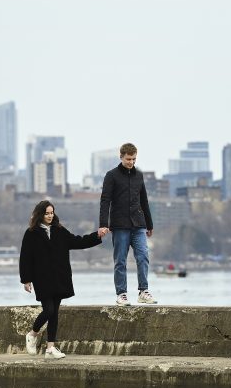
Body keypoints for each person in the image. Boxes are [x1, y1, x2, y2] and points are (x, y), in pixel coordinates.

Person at [19, 200, 104, 359]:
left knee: (55, 313)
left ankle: (50, 348)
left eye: (52, 213)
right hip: (42, 279)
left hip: (59, 277)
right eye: (47, 213)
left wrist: (96, 236)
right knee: (48, 310)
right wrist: (26, 280)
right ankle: (32, 334)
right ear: (40, 214)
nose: (50, 216)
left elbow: (78, 241)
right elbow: (25, 257)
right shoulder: (31, 233)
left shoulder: (59, 230)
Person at [98, 142, 156, 306]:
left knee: (143, 256)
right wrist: (103, 224)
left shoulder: (139, 175)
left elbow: (144, 201)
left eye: (134, 159)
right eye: (129, 159)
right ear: (121, 157)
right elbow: (105, 201)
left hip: (138, 225)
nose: (131, 162)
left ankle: (143, 291)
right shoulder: (111, 175)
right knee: (120, 261)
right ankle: (121, 294)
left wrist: (149, 224)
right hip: (120, 225)